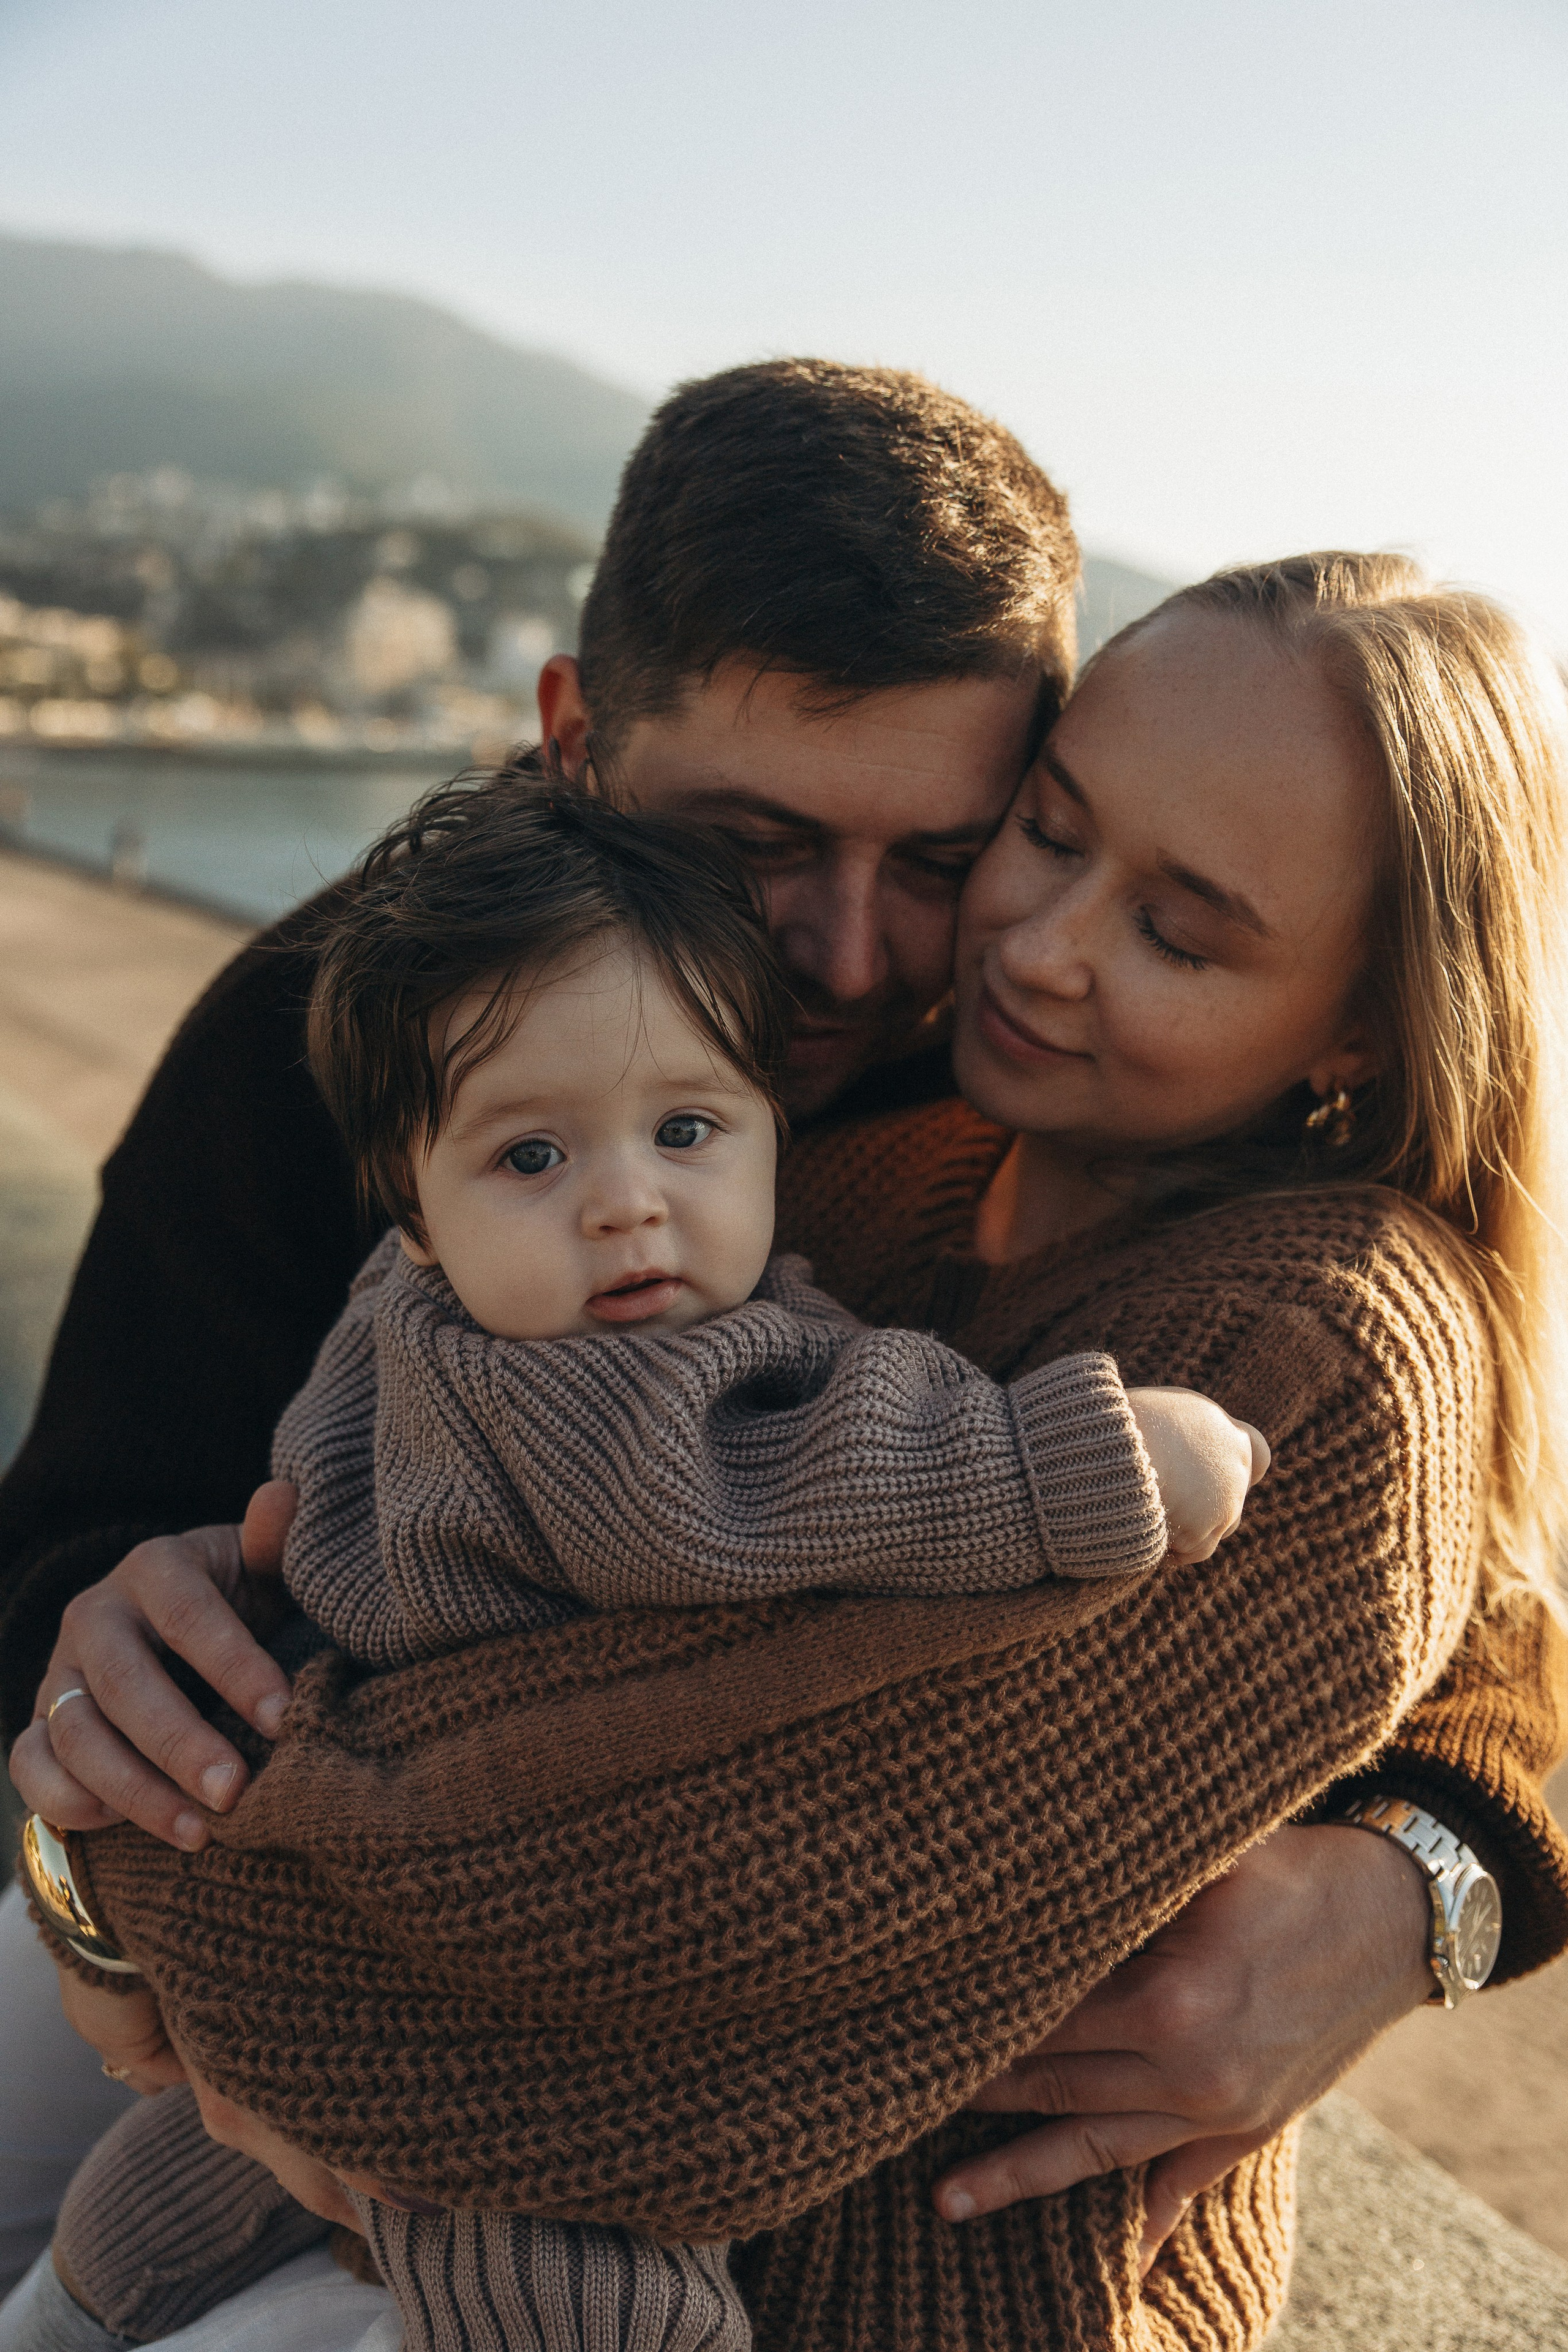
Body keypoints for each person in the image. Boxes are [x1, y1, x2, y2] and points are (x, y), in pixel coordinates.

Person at [0, 358, 1562, 2313]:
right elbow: (84, 1526)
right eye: (757, 844)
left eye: (940, 852)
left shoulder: (993, 1078)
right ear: (575, 743)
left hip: (545, 2061)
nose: (855, 959)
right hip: (267, 1862)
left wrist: (1432, 1879)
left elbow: (1444, 1554)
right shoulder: (350, 1037)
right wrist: (89, 1820)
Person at [26, 777, 1261, 2352]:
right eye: (529, 1158)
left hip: (337, 1920)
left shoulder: (416, 1318)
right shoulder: (589, 1393)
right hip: (494, 2003)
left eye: (686, 1131)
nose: (625, 1204)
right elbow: (739, 1490)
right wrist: (1073, 1460)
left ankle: (68, 2306)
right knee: (591, 2286)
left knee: (184, 2179)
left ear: (769, 1127)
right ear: (412, 1206)